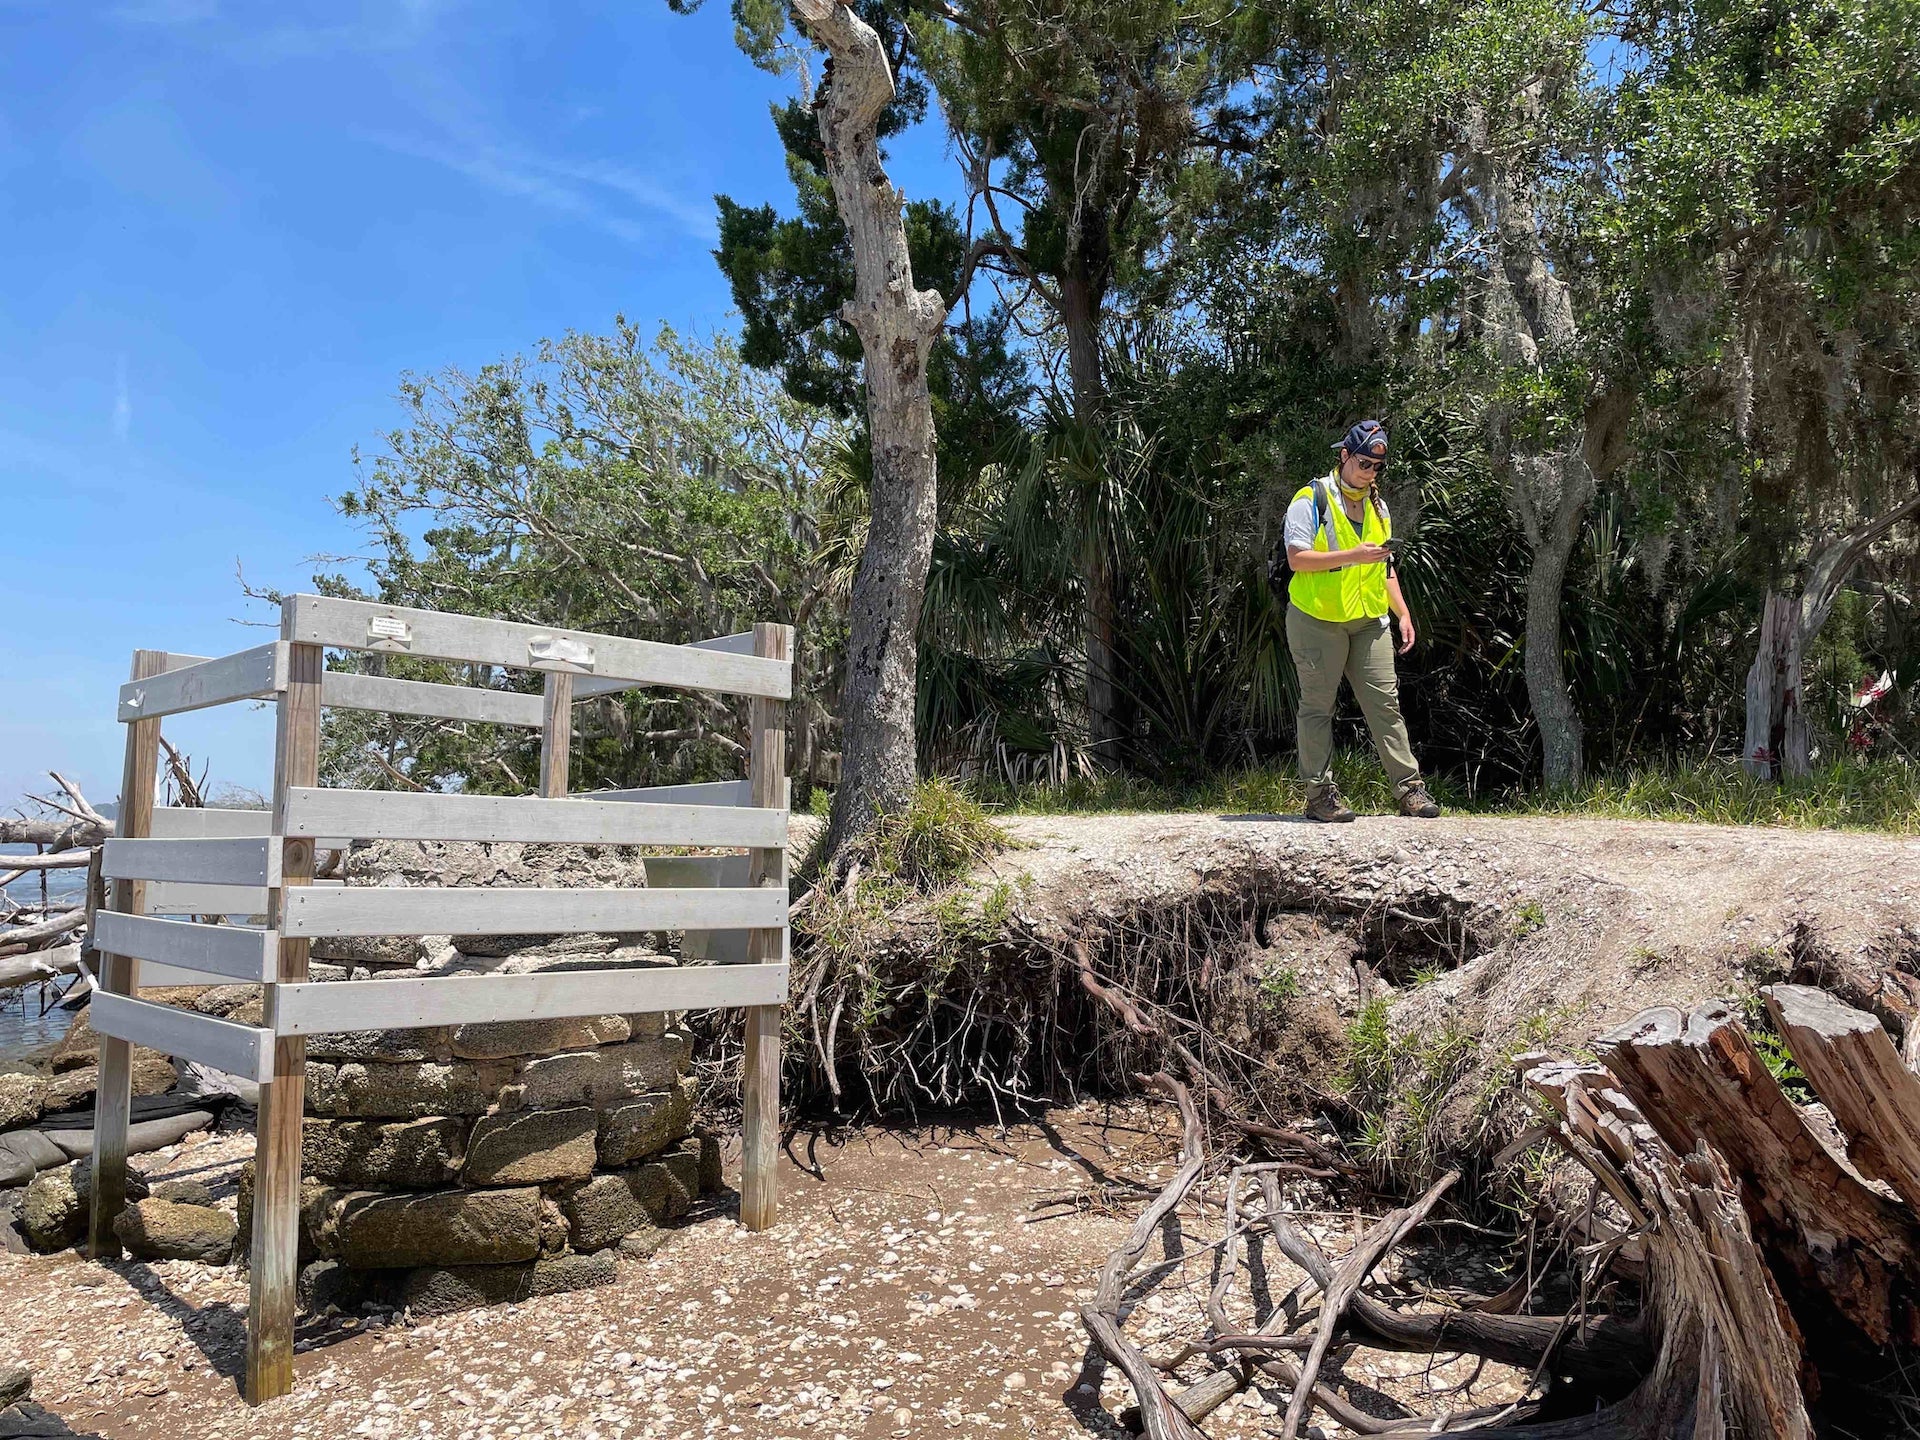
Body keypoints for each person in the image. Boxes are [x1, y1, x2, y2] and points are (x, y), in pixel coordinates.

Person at [1276, 419, 1440, 822]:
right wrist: (1353, 556)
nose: (1369, 472)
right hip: (1317, 620)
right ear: (1344, 456)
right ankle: (1319, 797)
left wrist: (1402, 612)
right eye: (1363, 463)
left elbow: (1385, 569)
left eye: (1376, 467)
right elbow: (1296, 559)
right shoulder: (1310, 498)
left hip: (1369, 620)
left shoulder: (1379, 507)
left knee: (1385, 703)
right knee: (1317, 707)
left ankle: (1410, 791)